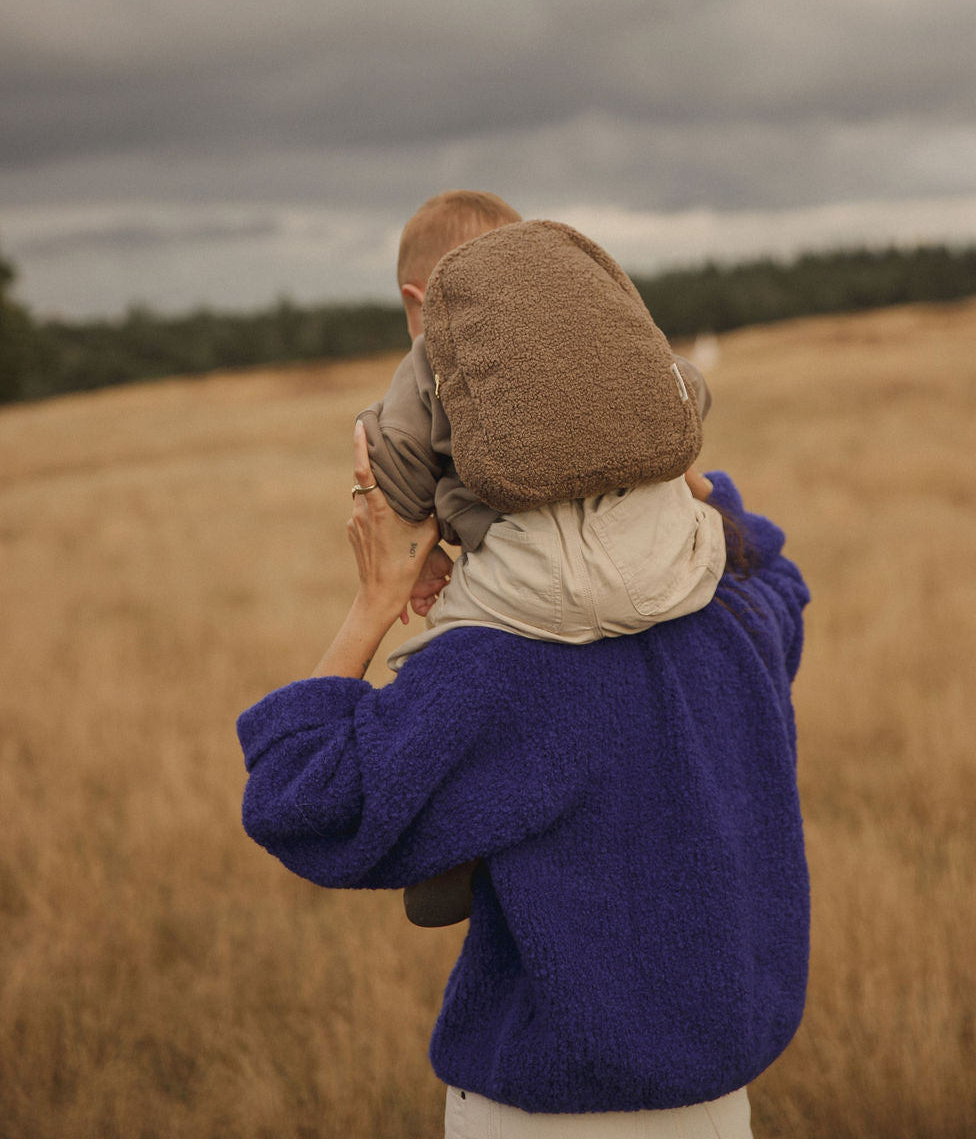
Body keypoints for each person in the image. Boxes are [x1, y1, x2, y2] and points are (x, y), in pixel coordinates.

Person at [237, 423, 811, 1135]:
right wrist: (679, 465)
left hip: (544, 1112)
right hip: (720, 1111)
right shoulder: (736, 611)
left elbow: (301, 797)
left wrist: (377, 599)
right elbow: (770, 563)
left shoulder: (498, 668)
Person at [361, 202, 725, 667]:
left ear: (418, 299)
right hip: (666, 568)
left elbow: (394, 454)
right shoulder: (590, 334)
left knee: (415, 666)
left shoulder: (425, 357)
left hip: (520, 593)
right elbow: (687, 392)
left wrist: (425, 557)